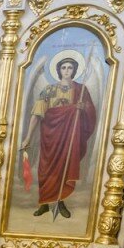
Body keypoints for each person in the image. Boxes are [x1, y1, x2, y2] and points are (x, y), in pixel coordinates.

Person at [20, 57, 97, 220]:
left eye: (70, 67)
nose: (67, 70)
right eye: (64, 67)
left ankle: (60, 202)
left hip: (69, 137)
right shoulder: (49, 89)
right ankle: (44, 204)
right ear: (59, 70)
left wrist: (83, 108)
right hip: (50, 136)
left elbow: (90, 113)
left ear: (74, 70)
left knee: (64, 167)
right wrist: (28, 137)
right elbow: (37, 114)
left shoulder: (80, 90)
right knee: (45, 168)